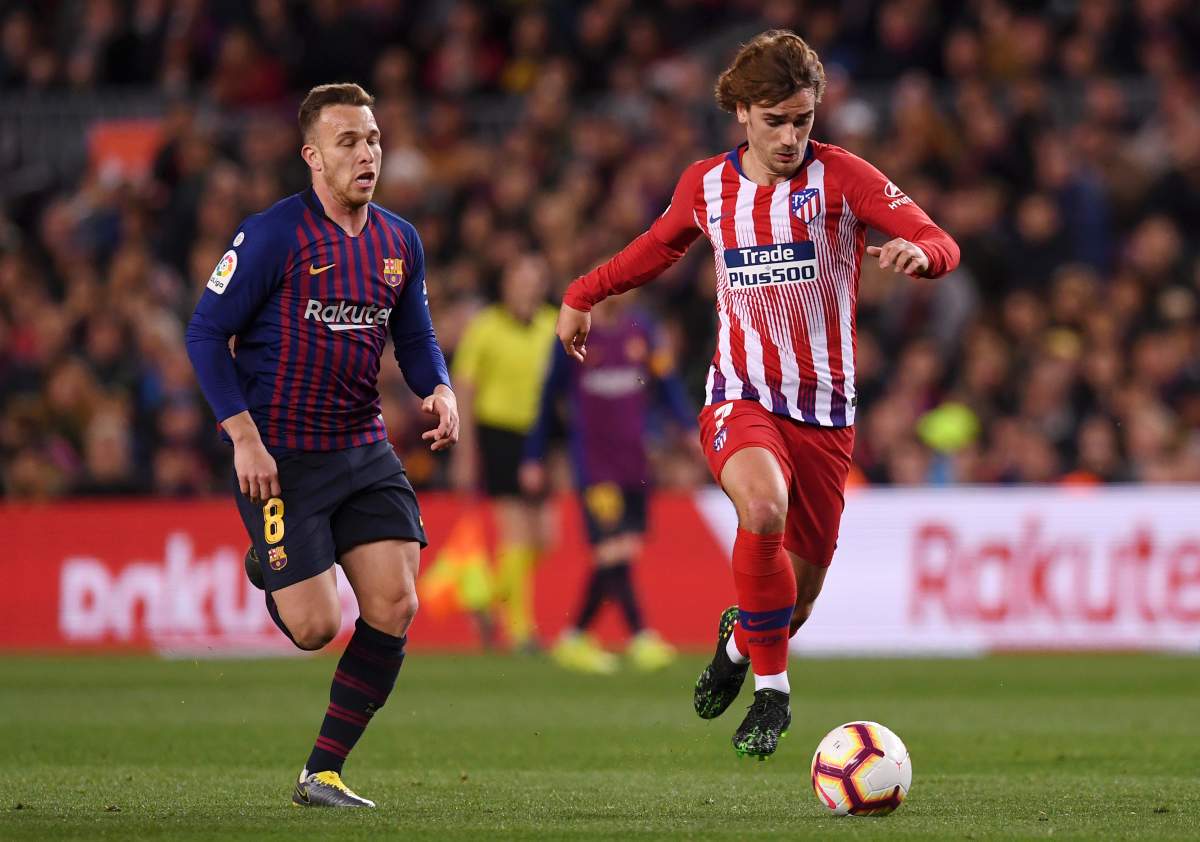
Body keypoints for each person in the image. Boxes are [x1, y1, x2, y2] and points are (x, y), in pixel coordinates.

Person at [555, 31, 959, 759]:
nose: (790, 137)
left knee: (793, 604)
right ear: (741, 112)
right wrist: (584, 292)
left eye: (803, 120)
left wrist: (920, 255)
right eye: (775, 121)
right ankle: (774, 693)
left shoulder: (843, 177)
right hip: (739, 396)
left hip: (826, 415)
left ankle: (740, 645)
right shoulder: (706, 186)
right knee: (763, 508)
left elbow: (940, 239)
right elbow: (656, 247)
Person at [185, 83, 458, 807]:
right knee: (313, 627)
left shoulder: (399, 241)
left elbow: (415, 335)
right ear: (312, 156)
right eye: (348, 142)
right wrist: (242, 436)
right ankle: (270, 563)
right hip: (281, 456)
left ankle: (322, 772)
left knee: (396, 603)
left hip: (363, 445)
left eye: (373, 139)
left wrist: (440, 388)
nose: (367, 153)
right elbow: (206, 333)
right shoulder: (272, 235)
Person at [520, 295, 691, 674]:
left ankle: (575, 637)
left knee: (622, 550)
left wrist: (688, 428)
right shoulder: (574, 335)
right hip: (595, 465)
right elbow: (548, 398)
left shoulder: (644, 330)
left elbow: (667, 383)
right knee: (612, 549)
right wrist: (534, 455)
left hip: (636, 462)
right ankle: (639, 635)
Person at [450, 254, 557, 650]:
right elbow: (465, 386)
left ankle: (486, 595)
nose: (527, 289)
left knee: (545, 537)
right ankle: (519, 630)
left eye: (534, 281)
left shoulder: (552, 324)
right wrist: (465, 450)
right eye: (520, 280)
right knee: (515, 532)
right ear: (506, 285)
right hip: (498, 432)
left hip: (539, 437)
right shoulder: (486, 326)